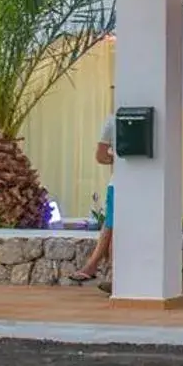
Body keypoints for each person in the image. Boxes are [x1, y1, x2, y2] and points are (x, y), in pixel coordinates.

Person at [77, 122, 115, 284]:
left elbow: (102, 157)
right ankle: (111, 277)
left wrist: (116, 158)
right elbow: (101, 157)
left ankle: (95, 267)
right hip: (120, 184)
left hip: (120, 184)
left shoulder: (112, 122)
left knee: (112, 226)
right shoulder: (112, 123)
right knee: (113, 226)